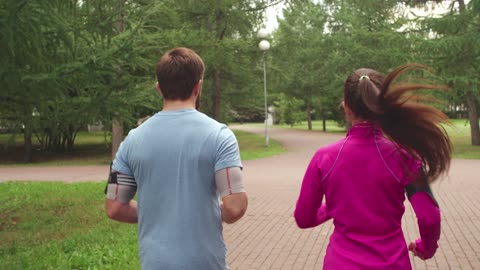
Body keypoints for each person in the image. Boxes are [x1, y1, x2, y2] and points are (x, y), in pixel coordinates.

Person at [294, 64, 451, 269]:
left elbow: (304, 218)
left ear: (346, 108)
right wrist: (426, 249)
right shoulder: (405, 157)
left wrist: (332, 208)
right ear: (381, 107)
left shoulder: (324, 158)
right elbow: (429, 217)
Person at [105, 47, 248, 270]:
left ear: (159, 89)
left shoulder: (131, 141)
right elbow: (235, 206)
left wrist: (159, 214)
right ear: (198, 87)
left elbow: (114, 207)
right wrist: (204, 213)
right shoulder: (220, 136)